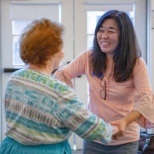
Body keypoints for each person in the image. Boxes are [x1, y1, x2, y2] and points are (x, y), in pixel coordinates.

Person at [0, 18, 119, 154]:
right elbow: (89, 127)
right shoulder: (58, 91)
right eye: (61, 48)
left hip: (11, 148)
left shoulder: (15, 78)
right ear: (50, 54)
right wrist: (113, 129)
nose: (63, 53)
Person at [54, 10, 154, 154]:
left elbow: (146, 99)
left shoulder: (136, 63)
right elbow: (62, 74)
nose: (104, 36)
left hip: (125, 140)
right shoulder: (89, 56)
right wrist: (69, 103)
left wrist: (124, 122)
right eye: (100, 30)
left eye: (111, 31)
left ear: (124, 35)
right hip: (94, 135)